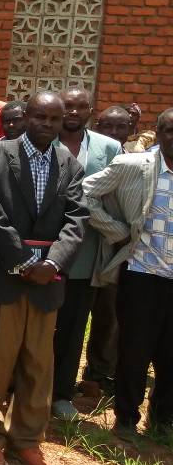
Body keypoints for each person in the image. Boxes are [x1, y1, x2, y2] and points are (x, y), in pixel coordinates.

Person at [0, 92, 87, 465]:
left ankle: (28, 440)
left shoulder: (69, 164)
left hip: (47, 282)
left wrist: (51, 262)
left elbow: (76, 220)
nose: (47, 124)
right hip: (5, 277)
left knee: (39, 363)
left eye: (55, 118)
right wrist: (23, 262)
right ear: (25, 117)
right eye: (40, 116)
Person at [82, 109, 173, 440]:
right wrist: (115, 229)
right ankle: (126, 418)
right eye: (168, 130)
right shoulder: (134, 166)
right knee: (134, 349)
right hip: (141, 274)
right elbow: (85, 192)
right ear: (158, 133)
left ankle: (163, 418)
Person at [50, 87, 122, 421]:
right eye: (68, 106)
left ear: (90, 110)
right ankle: (26, 388)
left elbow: (115, 198)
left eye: (81, 107)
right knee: (38, 327)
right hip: (44, 252)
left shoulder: (109, 148)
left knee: (73, 327)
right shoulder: (41, 142)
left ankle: (61, 394)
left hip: (84, 253)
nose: (73, 112)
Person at [83, 104, 136, 391]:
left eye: (121, 127)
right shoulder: (89, 154)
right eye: (107, 127)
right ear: (96, 126)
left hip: (118, 252)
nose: (114, 133)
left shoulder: (142, 162)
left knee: (110, 314)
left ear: (133, 129)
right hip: (84, 246)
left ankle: (99, 373)